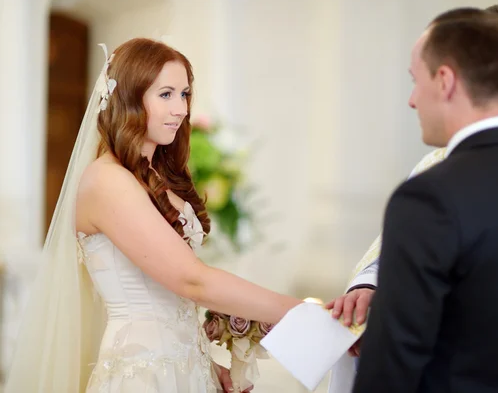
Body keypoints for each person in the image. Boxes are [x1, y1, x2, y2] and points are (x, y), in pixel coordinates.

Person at [328, 2, 498, 393]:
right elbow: (391, 258)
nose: (410, 99)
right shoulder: (440, 169)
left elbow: (392, 358)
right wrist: (369, 284)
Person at [4, 38, 302, 393]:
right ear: (129, 98)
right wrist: (299, 311)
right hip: (143, 374)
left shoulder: (158, 177)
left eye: (185, 94)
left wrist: (204, 363)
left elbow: (170, 301)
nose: (180, 109)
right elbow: (192, 280)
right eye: (166, 94)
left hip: (184, 367)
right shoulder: (107, 181)